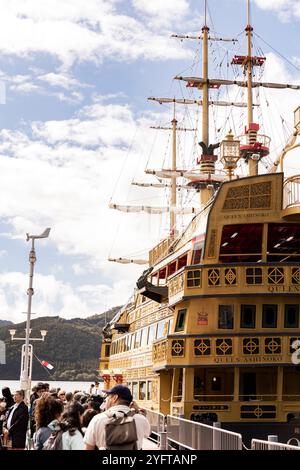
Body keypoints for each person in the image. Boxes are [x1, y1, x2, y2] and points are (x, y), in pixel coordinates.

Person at [84, 385, 150, 450]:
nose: (106, 399)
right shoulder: (141, 420)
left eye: (108, 396)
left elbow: (88, 448)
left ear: (115, 398)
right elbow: (147, 434)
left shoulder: (97, 419)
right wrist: (138, 412)